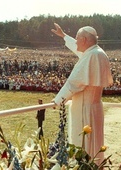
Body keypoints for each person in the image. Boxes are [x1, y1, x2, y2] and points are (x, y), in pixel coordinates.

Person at [51, 23, 113, 164]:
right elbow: (80, 50)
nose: (76, 41)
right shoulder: (95, 52)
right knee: (93, 144)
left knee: (85, 147)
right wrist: (64, 36)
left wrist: (58, 100)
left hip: (86, 109)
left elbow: (75, 82)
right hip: (91, 107)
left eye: (77, 38)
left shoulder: (93, 55)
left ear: (84, 40)